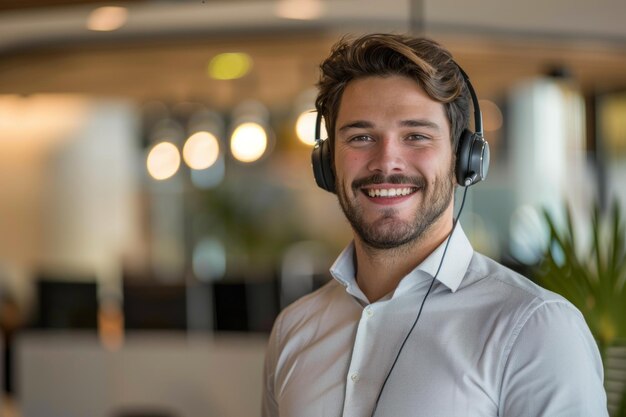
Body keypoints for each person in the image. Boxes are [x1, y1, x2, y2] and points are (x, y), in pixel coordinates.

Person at [262, 33, 608, 417]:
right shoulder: (294, 329)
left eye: (416, 136)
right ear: (328, 163)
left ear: (464, 161)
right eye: (361, 137)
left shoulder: (536, 328)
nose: (386, 162)